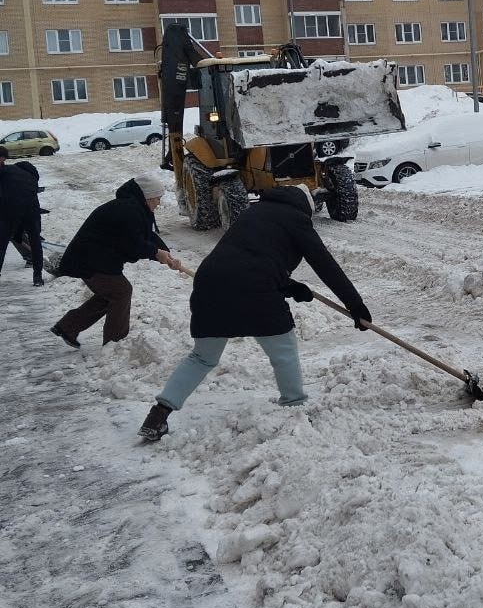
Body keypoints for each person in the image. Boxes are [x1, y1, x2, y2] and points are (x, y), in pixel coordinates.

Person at [139, 184, 371, 442]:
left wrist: (289, 286)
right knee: (283, 353)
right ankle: (294, 406)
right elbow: (325, 264)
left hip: (209, 283)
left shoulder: (254, 212)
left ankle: (158, 415)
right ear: (305, 206)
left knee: (202, 358)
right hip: (257, 289)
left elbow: (250, 258)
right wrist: (355, 305)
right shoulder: (297, 219)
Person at [51, 173, 180, 348]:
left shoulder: (135, 208)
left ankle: (68, 327)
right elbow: (132, 243)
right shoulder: (128, 210)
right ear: (147, 196)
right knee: (121, 292)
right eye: (157, 198)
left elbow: (146, 236)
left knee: (110, 295)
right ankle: (115, 342)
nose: (158, 202)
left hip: (96, 259)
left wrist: (166, 255)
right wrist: (156, 253)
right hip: (90, 260)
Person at [0, 161, 45, 286]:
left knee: (2, 244)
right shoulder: (30, 176)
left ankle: (28, 256)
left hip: (10, 212)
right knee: (35, 242)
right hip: (32, 211)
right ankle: (38, 278)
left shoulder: (6, 171)